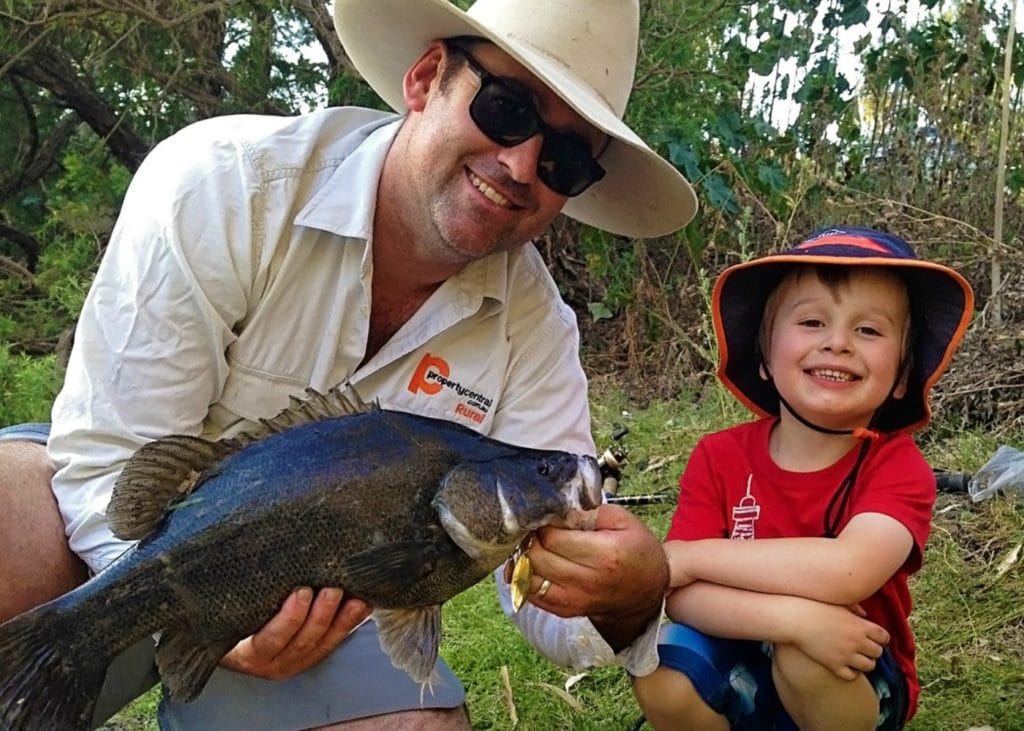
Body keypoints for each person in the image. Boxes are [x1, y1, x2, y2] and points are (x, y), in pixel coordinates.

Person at [0, 0, 696, 728]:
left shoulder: (537, 330)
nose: (522, 165)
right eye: (506, 108)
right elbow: (106, 463)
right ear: (427, 78)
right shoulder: (224, 183)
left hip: (322, 622)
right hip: (122, 532)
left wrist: (628, 595)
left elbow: (547, 602)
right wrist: (190, 619)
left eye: (566, 159)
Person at [632, 227, 973, 730]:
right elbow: (679, 596)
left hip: (851, 673)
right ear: (765, 357)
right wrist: (794, 621)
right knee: (658, 666)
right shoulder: (718, 457)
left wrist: (689, 557)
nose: (837, 343)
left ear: (902, 376)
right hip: (743, 655)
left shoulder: (897, 468)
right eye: (812, 321)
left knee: (805, 658)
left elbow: (848, 571)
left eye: (869, 331)